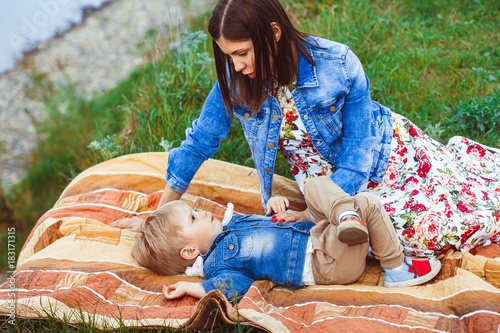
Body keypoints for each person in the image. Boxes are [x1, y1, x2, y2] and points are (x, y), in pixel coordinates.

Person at [150, 0, 500, 256]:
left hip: (383, 158)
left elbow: (358, 152)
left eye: (242, 53)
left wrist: (318, 212)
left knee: (418, 233)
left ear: (272, 33)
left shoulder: (338, 63)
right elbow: (200, 141)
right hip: (322, 186)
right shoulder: (235, 79)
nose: (237, 66)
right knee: (367, 239)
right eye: (229, 56)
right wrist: (159, 217)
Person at [131, 176, 441, 301]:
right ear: (188, 252)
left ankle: (347, 218)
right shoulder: (219, 263)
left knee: (314, 184)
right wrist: (190, 287)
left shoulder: (233, 225)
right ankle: (397, 269)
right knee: (370, 203)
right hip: (325, 262)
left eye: (195, 209)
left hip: (317, 236)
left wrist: (281, 210)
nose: (202, 212)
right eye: (193, 218)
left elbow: (272, 227)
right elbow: (232, 288)